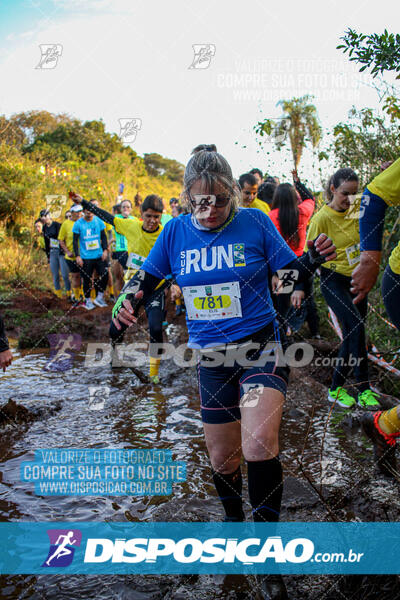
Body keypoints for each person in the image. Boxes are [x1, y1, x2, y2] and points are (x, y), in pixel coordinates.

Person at [109, 148, 336, 600]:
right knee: (222, 460)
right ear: (187, 197)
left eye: (219, 201)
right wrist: (128, 302)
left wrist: (307, 264)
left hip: (261, 347)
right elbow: (148, 278)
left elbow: (286, 277)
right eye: (200, 202)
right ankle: (236, 529)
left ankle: (268, 558)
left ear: (233, 194)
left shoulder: (253, 222)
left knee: (258, 444)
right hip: (211, 358)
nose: (210, 210)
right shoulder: (174, 232)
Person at [70, 193, 166, 384]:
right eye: (148, 216)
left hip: (156, 287)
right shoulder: (130, 226)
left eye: (157, 217)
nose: (152, 221)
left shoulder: (165, 233)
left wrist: (175, 283)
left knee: (155, 328)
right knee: (115, 329)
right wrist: (84, 202)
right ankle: (116, 359)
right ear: (141, 214)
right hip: (133, 286)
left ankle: (154, 375)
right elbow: (106, 216)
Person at [307, 168, 380, 409]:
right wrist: (298, 288)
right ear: (332, 189)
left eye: (353, 193)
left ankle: (343, 390)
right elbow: (309, 258)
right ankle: (358, 389)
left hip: (357, 279)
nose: (349, 199)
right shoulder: (321, 219)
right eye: (344, 194)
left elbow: (377, 208)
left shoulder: (356, 209)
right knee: (356, 329)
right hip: (333, 279)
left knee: (354, 334)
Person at [268, 171, 319, 338]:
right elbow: (311, 199)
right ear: (294, 198)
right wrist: (298, 183)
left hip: (282, 265)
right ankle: (316, 335)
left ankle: (284, 335)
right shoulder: (303, 212)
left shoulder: (270, 217)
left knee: (282, 305)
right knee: (309, 300)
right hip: (302, 263)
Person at [72, 206, 109, 310]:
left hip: (99, 255)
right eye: (87, 211)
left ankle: (99, 297)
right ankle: (88, 301)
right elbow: (75, 241)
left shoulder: (99, 221)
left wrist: (105, 249)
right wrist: (77, 256)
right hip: (85, 257)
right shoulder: (78, 224)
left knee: (105, 274)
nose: (89, 213)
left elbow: (103, 236)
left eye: (91, 211)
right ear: (83, 211)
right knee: (87, 279)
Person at [40, 209, 71, 299]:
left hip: (61, 252)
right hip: (52, 252)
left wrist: (65, 250)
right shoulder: (45, 228)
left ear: (50, 216)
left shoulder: (57, 225)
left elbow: (63, 238)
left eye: (45, 216)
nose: (44, 218)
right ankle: (58, 294)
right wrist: (48, 255)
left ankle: (69, 293)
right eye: (42, 217)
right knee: (55, 274)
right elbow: (46, 242)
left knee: (65, 274)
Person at [58, 204, 84, 307]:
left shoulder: (84, 222)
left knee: (85, 277)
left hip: (84, 255)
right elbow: (60, 239)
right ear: (71, 212)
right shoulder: (66, 224)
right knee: (75, 276)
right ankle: (77, 298)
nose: (78, 214)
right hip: (71, 256)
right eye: (76, 212)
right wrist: (67, 251)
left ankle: (85, 297)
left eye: (80, 211)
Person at [112, 199, 134, 296]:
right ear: (120, 209)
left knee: (129, 276)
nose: (126, 209)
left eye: (128, 207)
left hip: (130, 251)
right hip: (118, 251)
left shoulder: (134, 220)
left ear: (131, 209)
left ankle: (129, 298)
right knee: (118, 276)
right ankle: (118, 299)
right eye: (123, 207)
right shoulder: (116, 218)